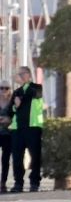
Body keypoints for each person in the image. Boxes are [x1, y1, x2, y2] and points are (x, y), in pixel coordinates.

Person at [6, 66, 44, 194]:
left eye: (22, 74)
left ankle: (34, 182)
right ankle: (18, 183)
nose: (20, 77)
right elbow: (10, 111)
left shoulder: (37, 88)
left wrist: (18, 104)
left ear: (28, 74)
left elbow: (29, 99)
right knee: (17, 157)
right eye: (18, 75)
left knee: (35, 156)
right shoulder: (16, 92)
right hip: (18, 129)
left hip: (33, 127)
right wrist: (12, 110)